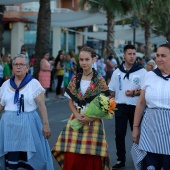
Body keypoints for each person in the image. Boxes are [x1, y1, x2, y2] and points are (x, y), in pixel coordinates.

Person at [51, 46, 111, 170]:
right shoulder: (75, 78)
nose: (84, 62)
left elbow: (106, 105)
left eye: (87, 59)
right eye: (81, 59)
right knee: (72, 154)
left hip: (93, 122)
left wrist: (90, 118)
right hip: (76, 118)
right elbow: (70, 102)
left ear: (93, 59)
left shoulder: (99, 80)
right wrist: (77, 115)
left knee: (91, 155)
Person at [0, 54, 54, 170]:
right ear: (12, 66)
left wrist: (46, 125)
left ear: (27, 67)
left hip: (28, 126)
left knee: (28, 158)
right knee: (12, 157)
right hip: (9, 128)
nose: (18, 67)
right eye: (15, 64)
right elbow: (1, 105)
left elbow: (42, 106)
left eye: (21, 64)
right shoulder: (5, 85)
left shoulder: (33, 84)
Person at [132, 43, 170, 169]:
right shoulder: (148, 76)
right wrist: (136, 127)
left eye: (163, 56)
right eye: (157, 55)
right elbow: (141, 103)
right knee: (150, 165)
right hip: (150, 130)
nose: (158, 59)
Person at [108, 45, 146, 169]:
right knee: (119, 134)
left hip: (136, 107)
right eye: (129, 54)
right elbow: (111, 90)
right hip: (120, 106)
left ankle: (142, 158)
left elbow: (147, 90)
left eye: (134, 54)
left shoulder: (142, 71)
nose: (132, 56)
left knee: (138, 134)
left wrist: (135, 92)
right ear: (124, 55)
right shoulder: (117, 72)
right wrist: (108, 102)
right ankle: (120, 160)